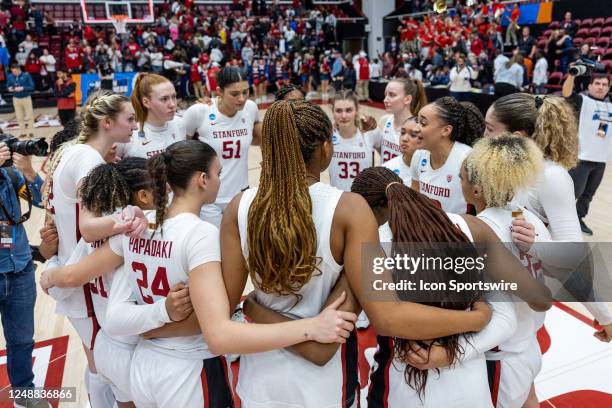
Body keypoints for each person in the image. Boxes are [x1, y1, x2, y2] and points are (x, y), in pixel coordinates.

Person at [220, 101, 496, 407]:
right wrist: (476, 319)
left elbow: (227, 305)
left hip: (258, 377)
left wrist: (257, 309)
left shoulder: (238, 205)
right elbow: (388, 317)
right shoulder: (349, 209)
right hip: (324, 387)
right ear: (326, 148)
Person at [43, 140, 355, 408]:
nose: (221, 180)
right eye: (218, 173)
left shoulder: (138, 225)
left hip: (143, 366)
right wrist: (311, 327)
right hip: (189, 369)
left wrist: (157, 315)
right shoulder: (199, 234)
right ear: (203, 180)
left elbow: (116, 319)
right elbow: (219, 336)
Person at [348, 167, 549, 408]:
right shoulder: (471, 227)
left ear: (366, 210)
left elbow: (386, 319)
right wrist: (465, 335)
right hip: (470, 387)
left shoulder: (372, 245)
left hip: (402, 385)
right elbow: (538, 301)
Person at [42, 90, 147, 408]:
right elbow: (89, 228)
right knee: (106, 370)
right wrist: (127, 220)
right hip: (87, 282)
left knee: (100, 367)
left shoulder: (76, 153)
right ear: (107, 123)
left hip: (81, 274)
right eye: (129, 119)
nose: (134, 125)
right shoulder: (87, 159)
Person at [483, 92, 612, 340]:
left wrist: (604, 315)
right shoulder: (499, 168)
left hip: (522, 309)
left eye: (489, 129)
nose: (484, 137)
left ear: (516, 137)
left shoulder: (550, 177)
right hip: (493, 293)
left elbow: (572, 256)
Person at [461, 135, 551, 408]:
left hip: (501, 356)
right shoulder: (529, 217)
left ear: (477, 190)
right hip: (528, 346)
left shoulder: (479, 229)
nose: (459, 183)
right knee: (529, 400)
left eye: (462, 177)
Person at [0, 141, 49, 408]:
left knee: (21, 339)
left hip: (19, 269)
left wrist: (29, 171)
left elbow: (41, 200)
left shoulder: (10, 174)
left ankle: (24, 393)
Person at [182, 66, 262, 227]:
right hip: (209, 199)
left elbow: (257, 140)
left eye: (246, 92)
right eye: (234, 94)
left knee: (244, 248)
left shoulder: (251, 108)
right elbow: (182, 152)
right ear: (219, 91)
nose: (242, 98)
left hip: (241, 194)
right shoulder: (199, 112)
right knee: (216, 249)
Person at [410, 96, 484, 214]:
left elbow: (483, 207)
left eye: (423, 123)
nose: (415, 128)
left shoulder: (467, 158)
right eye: (417, 121)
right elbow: (414, 198)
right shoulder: (419, 155)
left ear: (446, 130)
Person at [562, 72, 612, 236]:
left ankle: (578, 218)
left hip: (601, 160)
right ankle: (561, 219)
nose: (601, 87)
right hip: (581, 158)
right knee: (573, 193)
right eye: (597, 83)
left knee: (588, 194)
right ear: (590, 86)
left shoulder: (610, 105)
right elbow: (567, 93)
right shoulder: (583, 101)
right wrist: (572, 75)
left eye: (604, 84)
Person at [118, 73, 186, 159]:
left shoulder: (179, 124)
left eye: (174, 97)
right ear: (146, 102)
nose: (172, 104)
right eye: (164, 99)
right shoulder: (129, 133)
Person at [370, 78, 427, 163]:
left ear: (407, 99)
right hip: (385, 175)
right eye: (386, 95)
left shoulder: (419, 128)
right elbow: (383, 152)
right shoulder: (384, 121)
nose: (385, 100)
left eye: (392, 95)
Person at [328, 90, 375, 191]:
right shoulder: (327, 137)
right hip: (337, 201)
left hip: (363, 202)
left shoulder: (370, 133)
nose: (344, 116)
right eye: (339, 111)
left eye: (349, 110)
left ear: (357, 110)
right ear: (332, 112)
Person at [382, 117, 421, 186]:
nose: (404, 139)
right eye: (402, 133)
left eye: (413, 135)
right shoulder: (387, 169)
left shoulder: (433, 170)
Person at [7, 64, 35, 138]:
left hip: (26, 97)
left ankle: (31, 131)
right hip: (16, 98)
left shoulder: (26, 75)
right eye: (13, 72)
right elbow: (8, 85)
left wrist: (23, 88)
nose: (14, 73)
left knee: (29, 115)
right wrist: (9, 88)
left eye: (15, 71)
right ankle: (22, 132)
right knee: (19, 116)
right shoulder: (10, 76)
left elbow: (32, 86)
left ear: (19, 69)